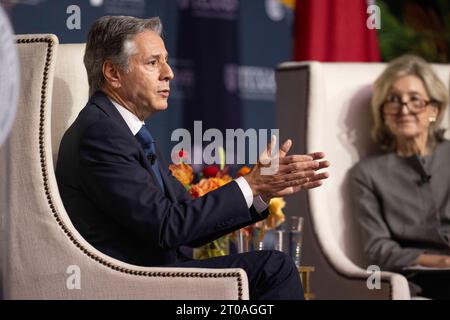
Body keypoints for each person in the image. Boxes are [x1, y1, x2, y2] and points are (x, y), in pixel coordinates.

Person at [56, 15, 330, 300]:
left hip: (163, 274)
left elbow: (186, 217)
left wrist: (259, 190)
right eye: (153, 62)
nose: (169, 73)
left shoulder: (126, 131)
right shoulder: (101, 133)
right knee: (274, 268)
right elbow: (166, 227)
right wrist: (251, 184)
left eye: (166, 60)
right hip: (137, 285)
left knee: (271, 268)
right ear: (113, 73)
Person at [350, 55, 450, 299]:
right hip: (419, 278)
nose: (404, 109)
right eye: (393, 101)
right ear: (383, 113)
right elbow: (377, 248)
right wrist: (441, 262)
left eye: (415, 100)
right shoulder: (367, 173)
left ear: (433, 110)